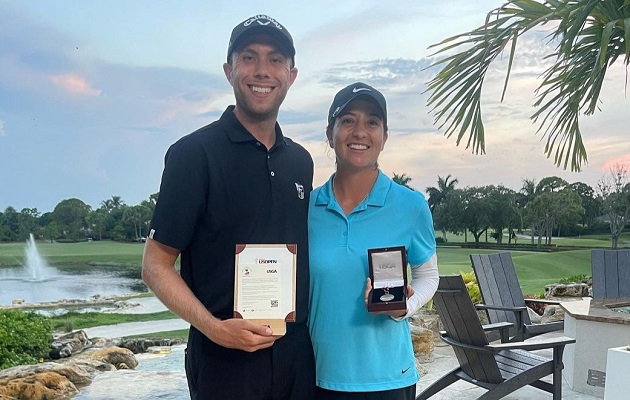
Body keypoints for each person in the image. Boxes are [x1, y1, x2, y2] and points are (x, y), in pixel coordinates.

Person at [141, 14, 315, 400]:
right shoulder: (193, 154)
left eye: (275, 60)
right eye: (249, 57)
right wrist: (214, 328)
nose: (262, 71)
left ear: (292, 74)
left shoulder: (300, 162)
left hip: (295, 354)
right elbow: (155, 265)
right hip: (223, 358)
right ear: (228, 70)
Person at [308, 82, 439, 400]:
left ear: (384, 136)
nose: (359, 132)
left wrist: (403, 307)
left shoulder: (410, 206)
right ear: (330, 133)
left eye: (372, 122)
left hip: (388, 379)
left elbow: (427, 275)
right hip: (316, 375)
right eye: (348, 120)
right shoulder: (306, 208)